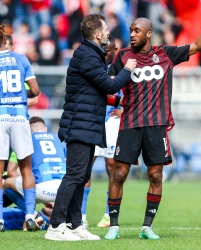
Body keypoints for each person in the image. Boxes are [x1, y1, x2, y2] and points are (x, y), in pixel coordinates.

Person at [104, 17, 201, 240]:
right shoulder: (123, 56)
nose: (132, 34)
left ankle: (146, 227)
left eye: (137, 31)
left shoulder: (165, 54)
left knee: (156, 175)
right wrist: (119, 104)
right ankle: (113, 225)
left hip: (157, 126)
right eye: (131, 30)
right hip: (130, 124)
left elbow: (197, 46)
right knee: (119, 173)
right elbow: (108, 85)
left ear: (148, 34)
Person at [45, 14, 136, 241]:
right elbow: (109, 85)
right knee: (74, 175)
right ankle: (56, 226)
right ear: (97, 34)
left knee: (82, 174)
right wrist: (128, 69)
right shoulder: (88, 55)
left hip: (88, 123)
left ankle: (75, 225)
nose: (108, 32)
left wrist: (117, 102)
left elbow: (95, 92)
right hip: (80, 124)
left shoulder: (91, 54)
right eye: (105, 29)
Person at [0, 25, 40, 232]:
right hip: (19, 118)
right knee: (26, 168)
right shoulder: (21, 59)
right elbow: (35, 90)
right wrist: (20, 94)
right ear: (5, 41)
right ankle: (31, 215)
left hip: (0, 117)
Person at [81, 35, 121, 227]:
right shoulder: (93, 66)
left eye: (112, 50)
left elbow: (132, 95)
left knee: (112, 167)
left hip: (113, 122)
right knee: (86, 167)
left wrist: (125, 109)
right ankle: (81, 215)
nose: (110, 53)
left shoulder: (123, 69)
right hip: (94, 120)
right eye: (108, 50)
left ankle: (108, 214)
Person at [4, 116, 66, 217]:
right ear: (45, 129)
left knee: (7, 183)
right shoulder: (59, 140)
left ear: (28, 131)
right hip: (64, 190)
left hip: (40, 190)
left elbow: (11, 171)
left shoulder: (25, 141)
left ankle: (33, 214)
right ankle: (75, 216)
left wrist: (28, 188)